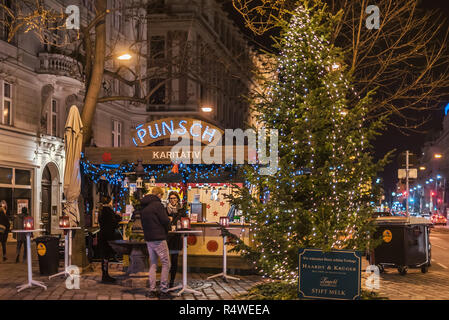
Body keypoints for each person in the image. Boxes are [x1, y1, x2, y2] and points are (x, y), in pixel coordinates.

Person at [140, 187, 172, 299]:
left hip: (149, 238)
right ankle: (163, 290)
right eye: (162, 195)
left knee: (153, 264)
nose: (161, 197)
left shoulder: (144, 206)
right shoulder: (158, 205)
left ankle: (152, 290)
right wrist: (169, 225)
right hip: (158, 238)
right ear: (158, 194)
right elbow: (164, 220)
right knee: (166, 263)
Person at [166, 191, 187, 288]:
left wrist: (172, 220)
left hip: (176, 237)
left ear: (177, 199)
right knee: (166, 260)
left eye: (174, 198)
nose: (172, 200)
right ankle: (165, 279)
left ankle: (171, 281)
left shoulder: (181, 210)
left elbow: (184, 220)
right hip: (167, 237)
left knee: (174, 259)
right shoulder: (165, 209)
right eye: (171, 198)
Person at [98, 195, 121, 283]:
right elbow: (113, 223)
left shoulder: (102, 210)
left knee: (105, 256)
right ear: (109, 202)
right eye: (111, 201)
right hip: (107, 236)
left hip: (103, 235)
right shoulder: (108, 211)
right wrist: (118, 218)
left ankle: (105, 274)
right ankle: (105, 276)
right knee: (106, 256)